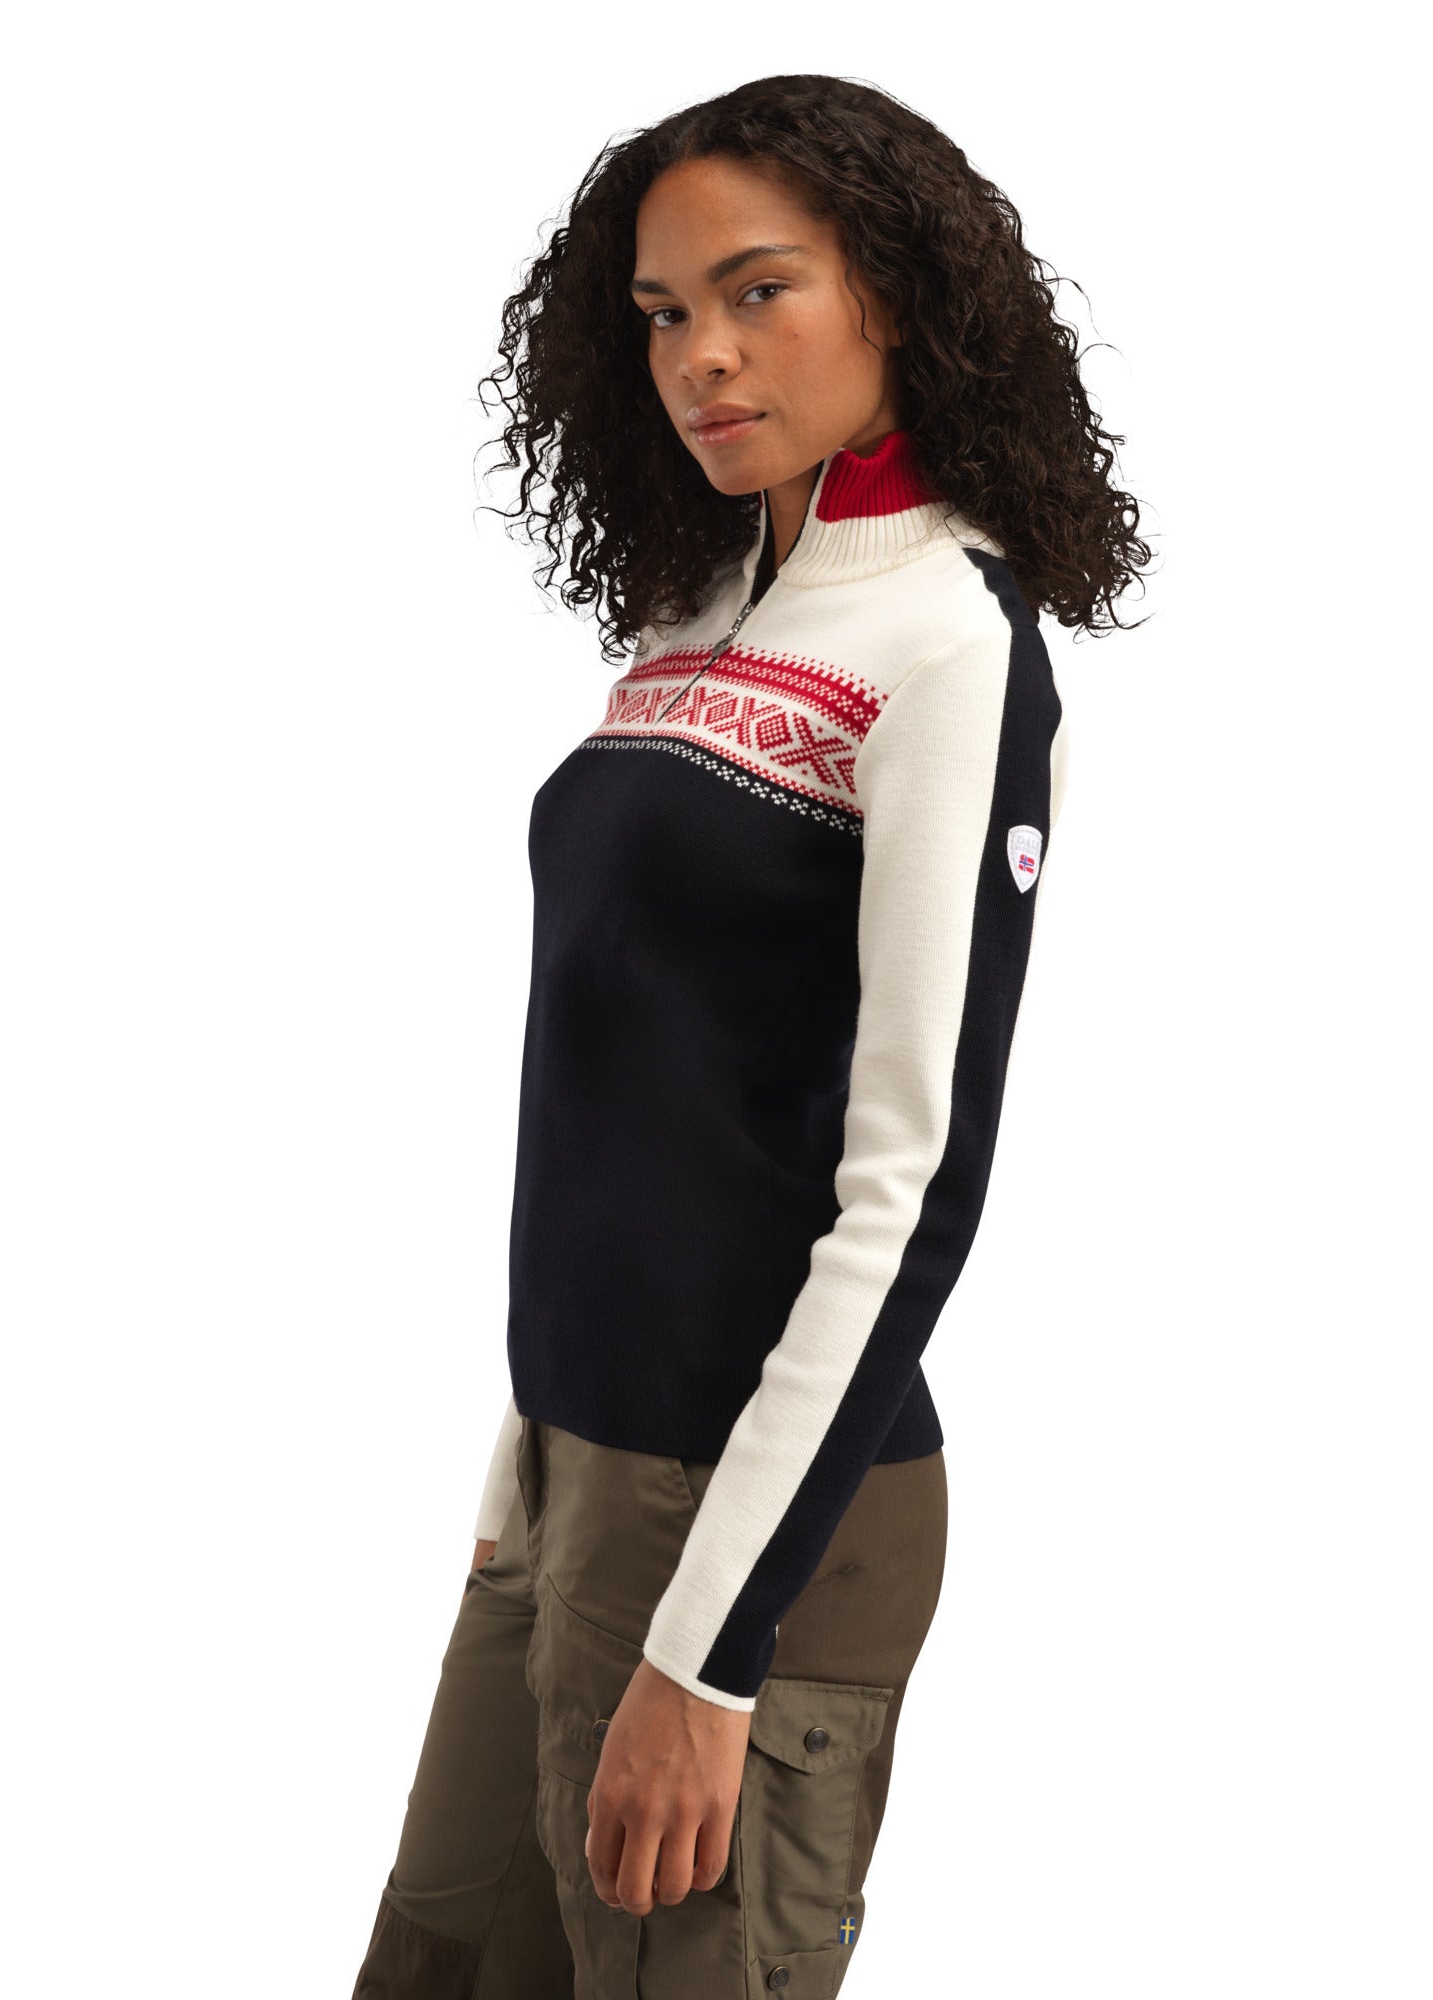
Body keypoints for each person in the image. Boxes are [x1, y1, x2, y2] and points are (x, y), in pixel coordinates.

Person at [350, 71, 1151, 1999]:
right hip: (574, 1473)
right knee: (440, 1965)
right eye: (661, 313)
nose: (700, 355)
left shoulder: (951, 645)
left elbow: (913, 1188)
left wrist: (709, 1651)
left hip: (756, 1522)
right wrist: (523, 1485)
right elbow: (627, 1104)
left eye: (757, 291)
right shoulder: (707, 607)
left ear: (898, 295)